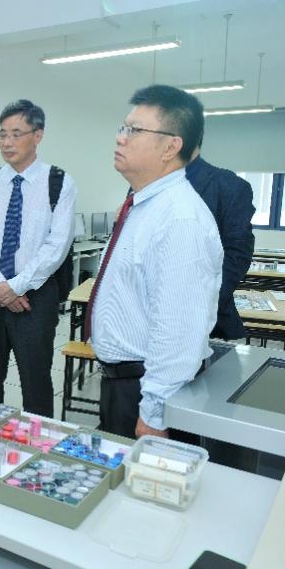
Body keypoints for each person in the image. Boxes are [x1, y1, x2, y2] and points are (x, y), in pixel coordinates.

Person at [87, 84, 223, 439]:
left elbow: (179, 331)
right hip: (123, 383)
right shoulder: (143, 205)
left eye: (134, 130)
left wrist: (154, 413)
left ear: (170, 147)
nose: (120, 138)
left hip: (147, 392)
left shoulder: (180, 219)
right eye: (122, 127)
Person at [0, 100, 76, 415]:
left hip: (35, 297)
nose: (7, 142)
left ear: (38, 135)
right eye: (2, 134)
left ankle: (38, 441)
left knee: (35, 380)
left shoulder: (59, 183)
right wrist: (2, 286)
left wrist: (17, 287)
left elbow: (57, 245)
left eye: (16, 134)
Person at [185, 145, 255, 341]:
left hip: (205, 327)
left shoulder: (228, 185)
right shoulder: (144, 186)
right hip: (142, 326)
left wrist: (196, 307)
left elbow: (237, 256)